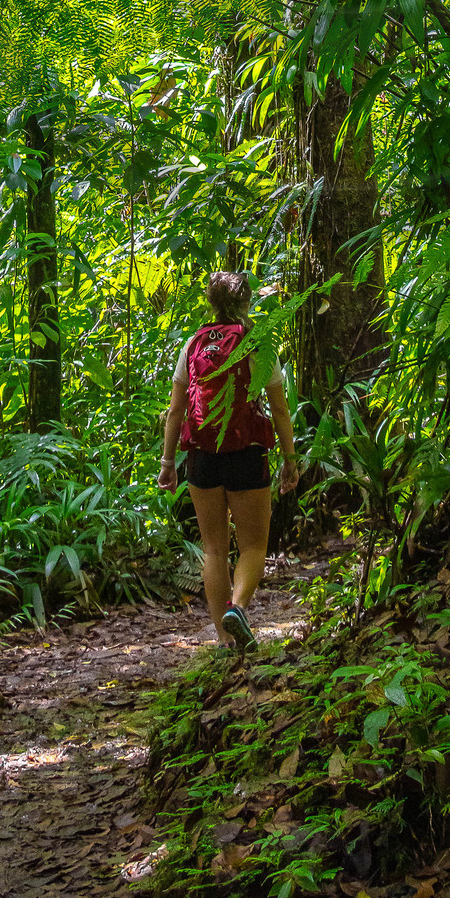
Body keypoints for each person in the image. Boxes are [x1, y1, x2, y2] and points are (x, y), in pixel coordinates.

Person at [159, 270, 298, 648]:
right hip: (246, 453)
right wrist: (289, 458)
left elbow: (176, 411)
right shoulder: (257, 343)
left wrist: (168, 463)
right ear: (246, 302)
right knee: (253, 546)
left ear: (210, 303)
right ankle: (237, 608)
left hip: (202, 457)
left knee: (213, 549)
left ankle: (223, 639)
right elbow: (280, 410)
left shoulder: (193, 345)